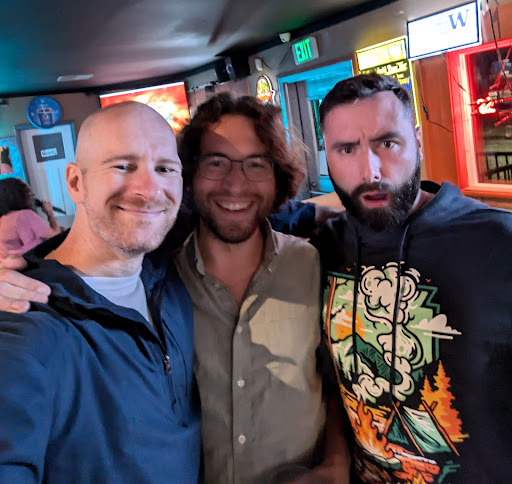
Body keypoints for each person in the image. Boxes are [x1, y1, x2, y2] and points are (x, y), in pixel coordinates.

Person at [312, 73, 512, 483]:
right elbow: (332, 381)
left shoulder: (497, 240)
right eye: (346, 149)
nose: (370, 170)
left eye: (387, 143)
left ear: (417, 141)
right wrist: (334, 461)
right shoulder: (323, 248)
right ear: (327, 158)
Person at [0, 101, 201, 482]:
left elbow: (242, 212)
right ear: (76, 182)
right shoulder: (27, 324)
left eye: (164, 169)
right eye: (122, 166)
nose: (149, 190)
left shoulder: (168, 266)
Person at [176, 93, 349, 483]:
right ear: (190, 172)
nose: (235, 184)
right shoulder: (160, 282)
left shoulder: (314, 264)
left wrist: (336, 463)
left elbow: (340, 381)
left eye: (256, 164)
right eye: (215, 162)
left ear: (278, 177)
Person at [0, 178, 60, 259]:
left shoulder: (3, 220)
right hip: (36, 263)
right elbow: (56, 238)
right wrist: (50, 214)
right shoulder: (24, 215)